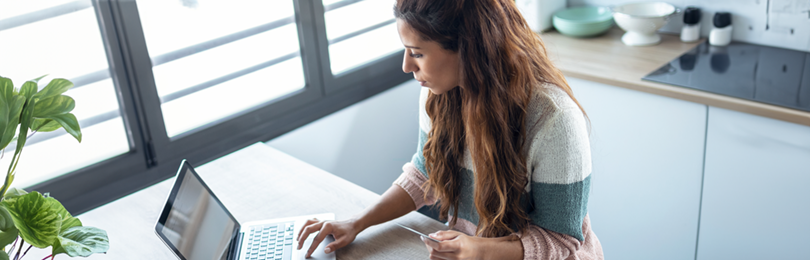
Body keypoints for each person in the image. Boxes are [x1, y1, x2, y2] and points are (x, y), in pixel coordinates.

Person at [296, 0, 604, 259]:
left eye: (417, 53)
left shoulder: (553, 119)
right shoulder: (438, 96)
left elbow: (560, 242)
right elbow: (424, 174)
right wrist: (357, 222)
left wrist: (478, 249)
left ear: (468, 49)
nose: (406, 66)